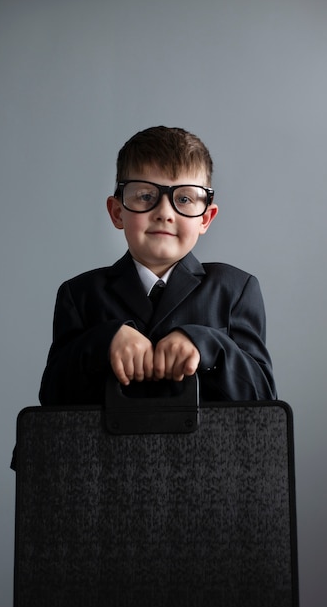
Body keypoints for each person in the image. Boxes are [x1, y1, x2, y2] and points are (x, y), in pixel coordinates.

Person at [39, 126, 276, 405]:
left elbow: (263, 400)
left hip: (210, 448)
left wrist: (206, 344)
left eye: (184, 199)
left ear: (205, 218)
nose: (164, 213)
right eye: (145, 197)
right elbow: (52, 401)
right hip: (109, 449)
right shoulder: (79, 295)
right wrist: (104, 342)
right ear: (117, 212)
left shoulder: (236, 290)